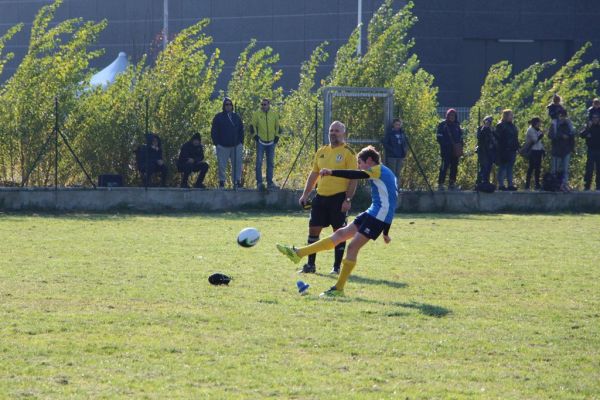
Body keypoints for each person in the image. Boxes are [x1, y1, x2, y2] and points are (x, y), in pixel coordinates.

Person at [276, 145, 397, 298]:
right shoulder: (385, 172)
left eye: (360, 163)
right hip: (373, 212)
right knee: (340, 234)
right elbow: (392, 201)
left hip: (378, 216)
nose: (359, 166)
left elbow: (355, 176)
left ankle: (339, 289)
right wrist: (386, 232)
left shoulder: (378, 170)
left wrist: (331, 172)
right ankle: (298, 253)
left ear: (370, 161)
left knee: (352, 248)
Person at [297, 121, 358, 275]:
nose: (333, 133)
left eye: (337, 130)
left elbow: (354, 179)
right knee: (313, 230)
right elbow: (314, 174)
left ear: (343, 133)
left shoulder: (348, 152)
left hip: (338, 198)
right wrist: (305, 194)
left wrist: (348, 200)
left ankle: (336, 267)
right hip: (320, 197)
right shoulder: (321, 151)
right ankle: (310, 265)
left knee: (339, 232)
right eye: (331, 130)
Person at [211, 97, 244, 189]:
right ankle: (222, 182)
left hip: (236, 145)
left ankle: (236, 182)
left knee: (237, 165)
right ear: (223, 106)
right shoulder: (218, 117)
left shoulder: (236, 117)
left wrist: (241, 142)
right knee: (222, 165)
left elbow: (241, 130)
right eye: (226, 104)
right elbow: (214, 131)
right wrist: (216, 143)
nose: (228, 106)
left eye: (230, 104)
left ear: (232, 106)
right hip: (222, 146)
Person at [250, 98, 281, 190]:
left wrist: (277, 136)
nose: (263, 106)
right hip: (260, 142)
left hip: (271, 142)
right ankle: (259, 183)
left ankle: (270, 183)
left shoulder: (274, 114)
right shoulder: (256, 114)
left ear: (269, 105)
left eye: (265, 104)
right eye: (262, 104)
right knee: (259, 162)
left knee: (270, 163)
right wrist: (255, 136)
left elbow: (278, 127)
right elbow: (252, 126)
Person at [436, 108, 463, 190]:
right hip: (446, 151)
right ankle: (441, 184)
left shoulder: (457, 125)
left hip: (455, 151)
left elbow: (461, 137)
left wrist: (460, 146)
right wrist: (446, 144)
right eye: (450, 115)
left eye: (453, 115)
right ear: (447, 116)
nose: (452, 117)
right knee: (444, 167)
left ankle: (452, 183)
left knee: (454, 167)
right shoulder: (442, 124)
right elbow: (439, 137)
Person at [548, 109, 575, 192]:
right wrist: (561, 136)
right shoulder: (554, 124)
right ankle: (555, 185)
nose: (562, 117)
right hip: (556, 151)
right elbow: (550, 135)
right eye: (560, 115)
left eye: (563, 115)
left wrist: (569, 138)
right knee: (555, 170)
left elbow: (573, 134)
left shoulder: (569, 124)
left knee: (565, 170)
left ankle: (564, 185)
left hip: (566, 150)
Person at [495, 109, 519, 191]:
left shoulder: (512, 125)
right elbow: (498, 138)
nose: (512, 117)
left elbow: (515, 137)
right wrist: (503, 148)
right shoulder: (500, 125)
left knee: (510, 167)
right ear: (506, 116)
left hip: (512, 149)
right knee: (503, 167)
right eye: (510, 115)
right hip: (504, 150)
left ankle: (510, 184)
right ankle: (501, 185)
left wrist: (517, 147)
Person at [381, 118, 408, 190]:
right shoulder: (390, 133)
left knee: (398, 173)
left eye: (399, 125)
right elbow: (384, 142)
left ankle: (397, 188)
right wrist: (392, 150)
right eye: (396, 124)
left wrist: (405, 151)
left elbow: (405, 143)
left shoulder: (402, 133)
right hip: (392, 156)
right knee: (392, 173)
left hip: (400, 156)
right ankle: (391, 187)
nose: (398, 126)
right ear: (393, 125)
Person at [580, 113, 600, 190]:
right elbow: (581, 134)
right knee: (589, 169)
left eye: (597, 118)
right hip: (591, 150)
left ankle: (598, 186)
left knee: (599, 169)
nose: (595, 119)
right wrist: (587, 130)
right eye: (594, 118)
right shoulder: (588, 126)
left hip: (599, 150)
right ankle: (587, 186)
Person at [524, 117, 545, 190]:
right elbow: (535, 140)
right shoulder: (530, 130)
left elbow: (539, 142)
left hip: (538, 151)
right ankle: (527, 185)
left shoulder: (537, 130)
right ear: (536, 123)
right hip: (533, 151)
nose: (540, 124)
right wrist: (540, 136)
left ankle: (537, 184)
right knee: (531, 168)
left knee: (538, 169)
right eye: (539, 122)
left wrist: (543, 149)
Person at [476, 116, 497, 186]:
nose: (489, 123)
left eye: (490, 121)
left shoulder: (492, 129)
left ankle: (486, 181)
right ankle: (480, 181)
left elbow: (495, 138)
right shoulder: (481, 128)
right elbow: (479, 137)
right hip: (483, 151)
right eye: (488, 121)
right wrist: (485, 127)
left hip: (490, 151)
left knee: (489, 167)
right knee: (483, 167)